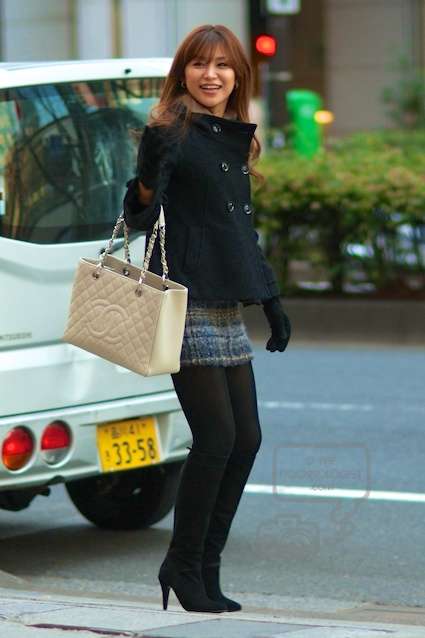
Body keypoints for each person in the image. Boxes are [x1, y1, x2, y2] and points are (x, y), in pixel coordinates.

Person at [123, 24, 291, 614]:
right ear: (184, 73)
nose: (211, 74)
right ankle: (183, 564)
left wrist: (270, 298)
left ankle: (204, 569)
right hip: (185, 297)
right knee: (217, 437)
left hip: (224, 300)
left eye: (223, 65)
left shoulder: (233, 137)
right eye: (199, 64)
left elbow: (239, 231)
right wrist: (149, 179)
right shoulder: (170, 131)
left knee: (247, 439)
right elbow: (140, 214)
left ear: (237, 76)